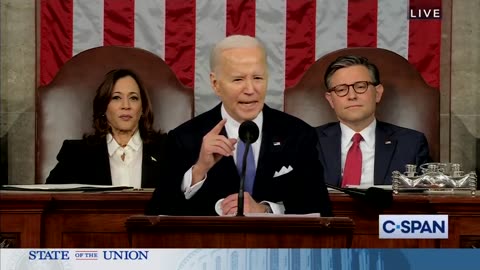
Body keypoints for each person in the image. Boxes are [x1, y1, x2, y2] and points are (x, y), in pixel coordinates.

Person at [147, 35, 332, 216]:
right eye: (238, 79)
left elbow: (321, 209)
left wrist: (266, 210)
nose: (251, 90)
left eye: (258, 78)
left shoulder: (298, 134)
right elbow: (158, 213)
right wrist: (199, 170)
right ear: (215, 84)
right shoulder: (184, 138)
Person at [316, 55, 432, 188]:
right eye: (341, 90)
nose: (352, 96)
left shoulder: (411, 144)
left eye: (360, 87)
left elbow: (422, 200)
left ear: (378, 93)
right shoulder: (309, 141)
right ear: (330, 99)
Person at [46, 69, 168, 188]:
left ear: (143, 109)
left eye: (133, 98)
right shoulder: (76, 154)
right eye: (116, 98)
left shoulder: (168, 149)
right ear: (103, 107)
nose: (126, 106)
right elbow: (48, 199)